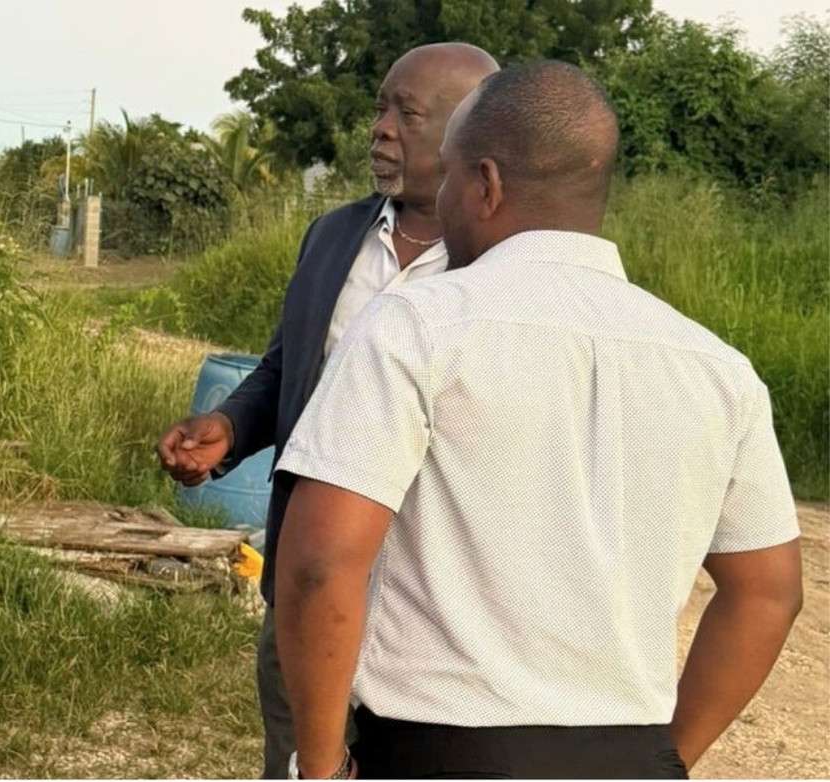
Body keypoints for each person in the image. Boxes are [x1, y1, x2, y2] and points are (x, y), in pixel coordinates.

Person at [273, 60, 803, 779]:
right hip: (629, 758)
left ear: (485, 185)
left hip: (439, 754)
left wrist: (323, 764)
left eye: (454, 176)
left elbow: (320, 564)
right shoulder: (716, 367)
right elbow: (770, 590)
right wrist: (668, 760)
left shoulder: (417, 327)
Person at [156, 43, 498, 777]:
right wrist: (234, 427)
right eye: (379, 107)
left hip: (438, 596)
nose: (378, 129)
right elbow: (289, 367)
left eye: (405, 114)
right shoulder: (332, 237)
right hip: (310, 577)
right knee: (299, 755)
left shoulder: (502, 265)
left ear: (471, 138)